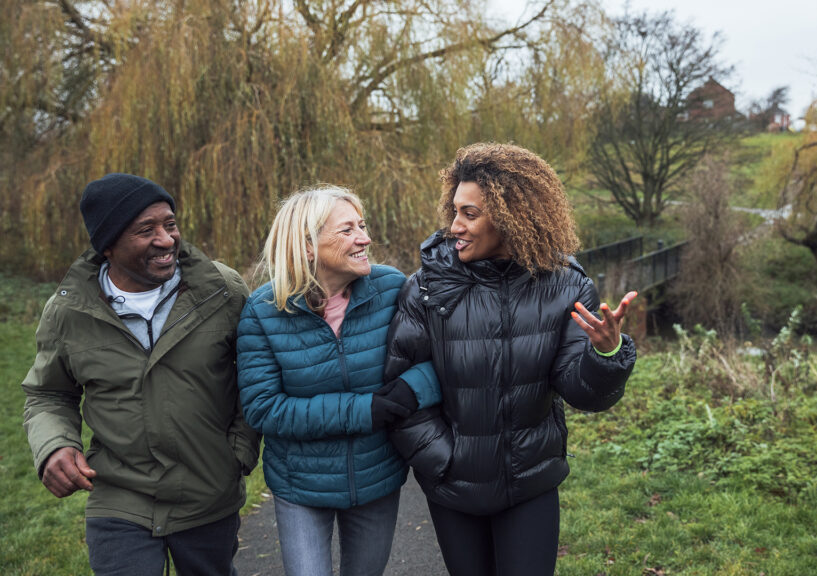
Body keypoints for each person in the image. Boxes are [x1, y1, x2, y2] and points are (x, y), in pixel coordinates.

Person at [385, 142, 638, 576]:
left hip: (530, 485)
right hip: (454, 488)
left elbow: (583, 392)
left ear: (512, 216)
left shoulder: (566, 286)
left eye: (470, 214)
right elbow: (400, 393)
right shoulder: (427, 287)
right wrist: (445, 460)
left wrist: (605, 352)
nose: (455, 227)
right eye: (455, 211)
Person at [22, 173, 260, 576]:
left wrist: (237, 452)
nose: (166, 240)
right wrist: (55, 445)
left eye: (170, 224)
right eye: (146, 230)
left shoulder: (222, 290)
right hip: (119, 495)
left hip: (208, 492)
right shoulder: (69, 312)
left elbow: (255, 373)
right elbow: (49, 394)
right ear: (108, 245)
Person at [235, 185, 441, 576]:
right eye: (347, 230)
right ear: (307, 246)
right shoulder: (263, 310)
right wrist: (364, 410)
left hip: (376, 475)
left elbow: (438, 361)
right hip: (301, 486)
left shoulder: (392, 288)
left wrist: (411, 390)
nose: (364, 238)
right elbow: (264, 408)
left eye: (361, 226)